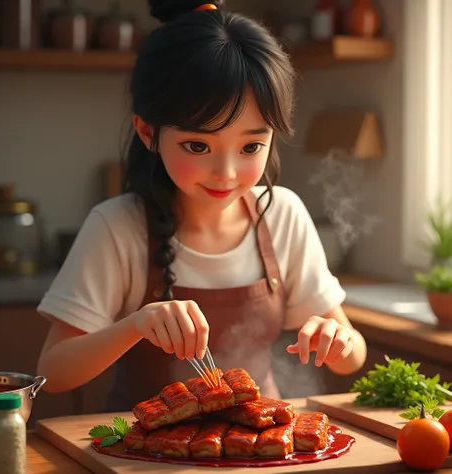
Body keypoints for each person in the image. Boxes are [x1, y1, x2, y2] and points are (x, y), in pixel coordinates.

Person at [36, 0, 367, 411]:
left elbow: (354, 354)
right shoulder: (116, 227)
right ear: (148, 132)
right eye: (198, 145)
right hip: (140, 456)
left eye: (251, 146)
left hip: (260, 450)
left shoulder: (282, 214)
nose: (225, 172)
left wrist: (338, 340)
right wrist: (136, 325)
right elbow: (52, 373)